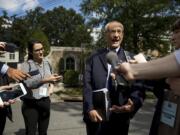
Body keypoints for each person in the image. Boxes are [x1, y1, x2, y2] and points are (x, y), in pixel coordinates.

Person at [83, 21, 145, 135]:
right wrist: (90, 108)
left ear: (123, 34)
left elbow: (139, 85)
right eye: (112, 31)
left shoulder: (131, 58)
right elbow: (87, 85)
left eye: (119, 31)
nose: (116, 35)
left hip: (120, 117)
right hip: (96, 115)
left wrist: (133, 104)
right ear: (106, 34)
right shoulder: (94, 56)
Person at [20, 40, 62, 135]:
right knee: (31, 132)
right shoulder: (26, 65)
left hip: (45, 101)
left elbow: (51, 78)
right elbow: (29, 84)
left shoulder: (47, 63)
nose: (41, 52)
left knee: (43, 131)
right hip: (30, 103)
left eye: (42, 49)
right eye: (37, 50)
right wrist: (46, 80)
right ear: (31, 52)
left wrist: (51, 85)